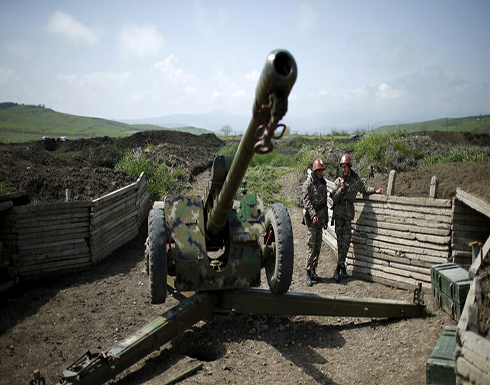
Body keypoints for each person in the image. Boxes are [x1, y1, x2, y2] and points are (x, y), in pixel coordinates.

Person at [330, 154, 383, 282]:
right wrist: (341, 189)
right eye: (342, 167)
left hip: (348, 215)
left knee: (346, 241)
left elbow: (363, 189)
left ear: (349, 167)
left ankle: (338, 267)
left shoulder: (355, 180)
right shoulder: (338, 181)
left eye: (345, 167)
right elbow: (333, 198)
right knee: (340, 241)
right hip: (338, 215)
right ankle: (342, 268)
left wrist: (375, 191)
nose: (344, 169)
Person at [302, 159, 329, 287]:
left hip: (320, 218)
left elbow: (325, 203)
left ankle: (313, 270)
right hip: (312, 220)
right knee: (311, 246)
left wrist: (325, 220)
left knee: (318, 247)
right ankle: (308, 272)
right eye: (319, 170)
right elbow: (306, 201)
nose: (321, 173)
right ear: (315, 171)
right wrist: (313, 215)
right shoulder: (308, 184)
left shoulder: (323, 183)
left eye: (322, 170)